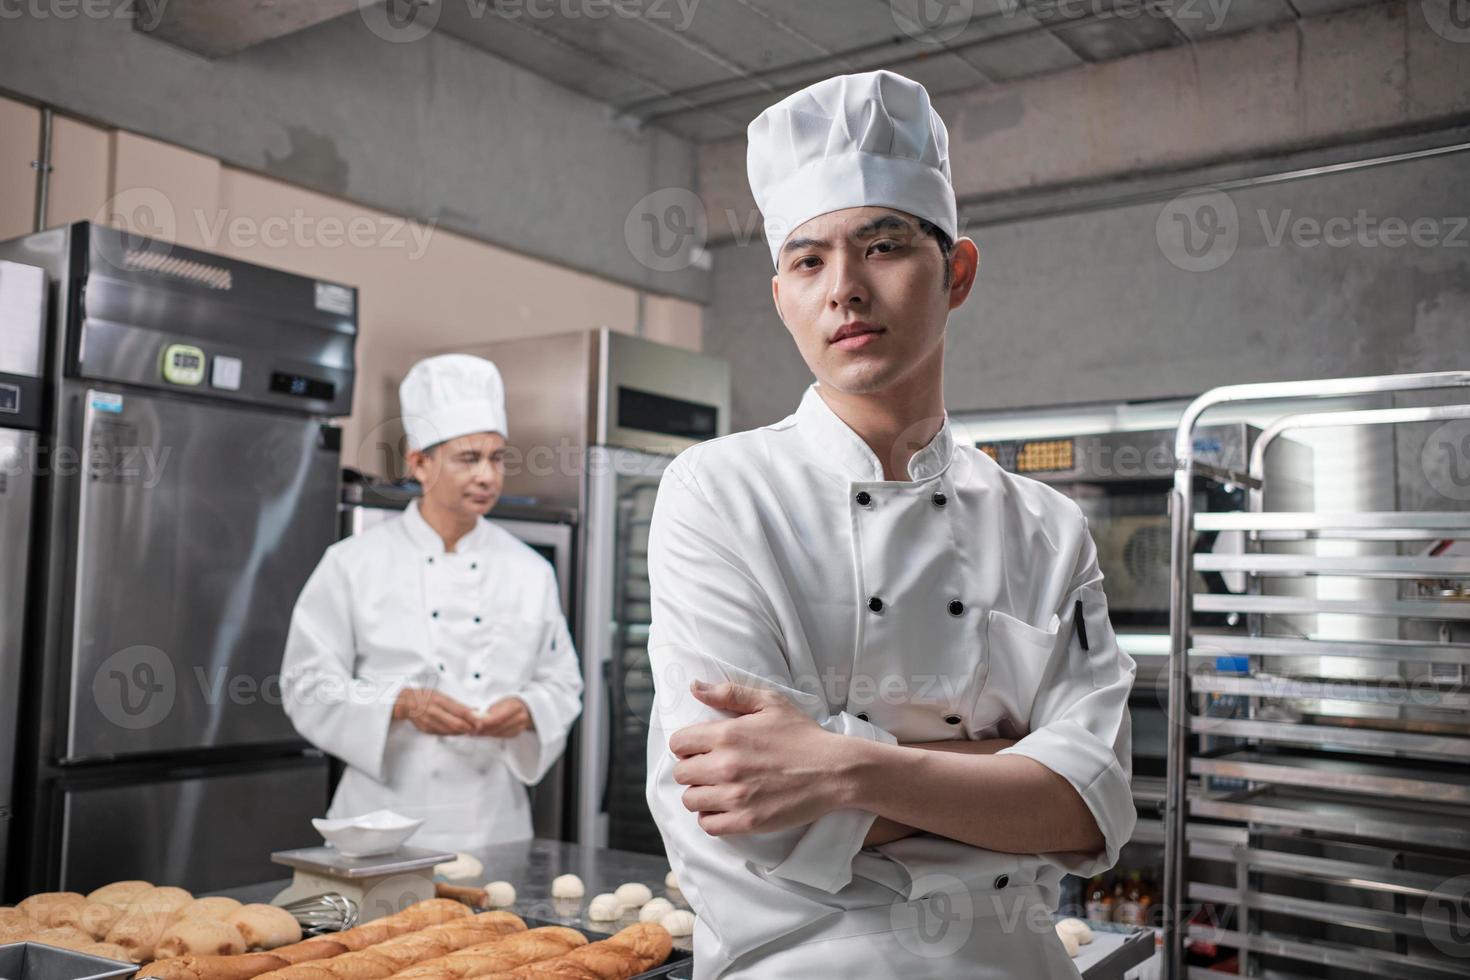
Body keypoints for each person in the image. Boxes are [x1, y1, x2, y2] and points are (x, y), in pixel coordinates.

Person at [644, 70, 1136, 977]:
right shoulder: (717, 493)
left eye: (882, 245)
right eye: (808, 260)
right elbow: (744, 811)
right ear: (782, 295)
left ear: (957, 273)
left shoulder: (1046, 528)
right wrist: (1002, 764)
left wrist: (841, 766)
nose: (844, 289)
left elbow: (1090, 808)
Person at [283, 353, 582, 852]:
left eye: (496, 458)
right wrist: (399, 703)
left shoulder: (530, 570)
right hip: (379, 824)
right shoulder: (352, 563)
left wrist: (528, 709)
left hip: (495, 826)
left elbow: (563, 682)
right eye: (469, 459)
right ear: (419, 463)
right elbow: (305, 685)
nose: (488, 476)